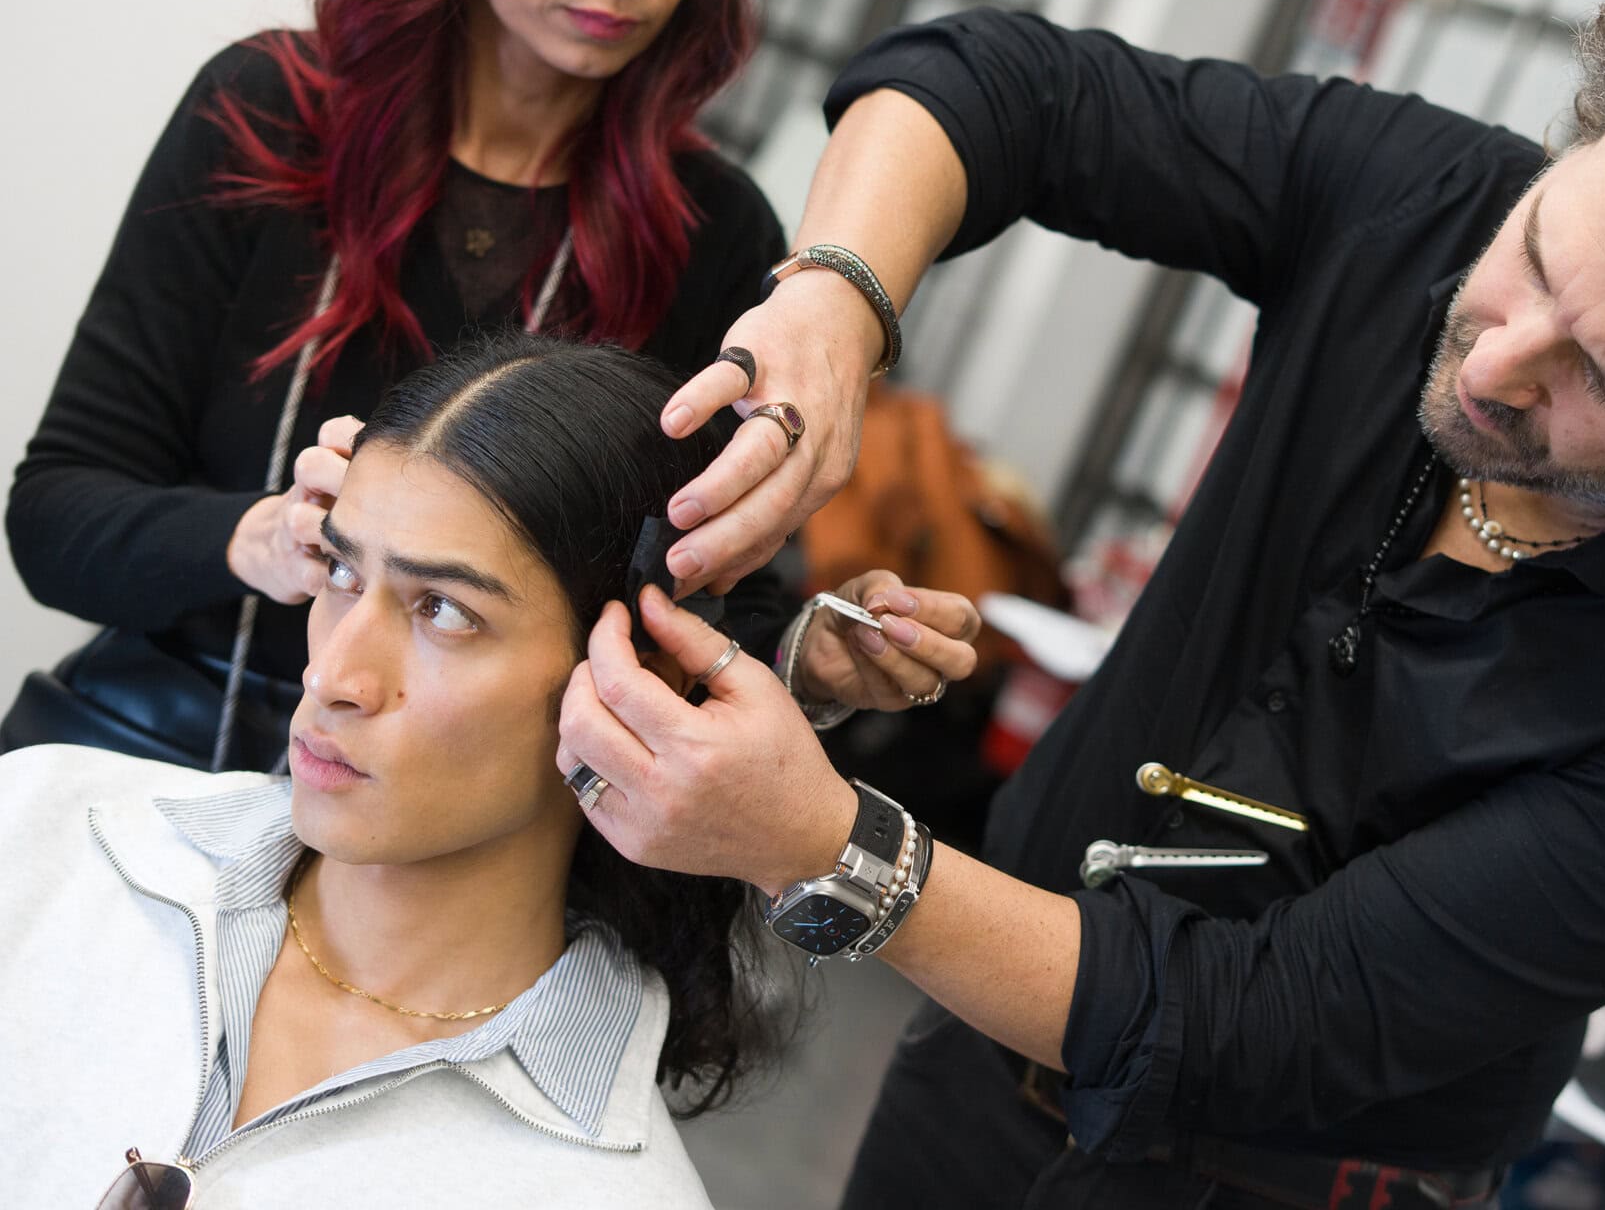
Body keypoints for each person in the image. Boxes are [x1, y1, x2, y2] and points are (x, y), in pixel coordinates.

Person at [561, 0, 1605, 1208]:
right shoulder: (1426, 197)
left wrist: (829, 846)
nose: (1500, 364)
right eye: (1536, 261)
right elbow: (1004, 87)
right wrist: (833, 296)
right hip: (968, 1087)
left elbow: (1245, 1025)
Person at [0, 333, 982, 1205]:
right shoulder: (37, 826)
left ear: (628, 673)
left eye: (444, 611)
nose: (334, 674)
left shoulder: (600, 1190)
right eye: (342, 574)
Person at [6, 0, 812, 770]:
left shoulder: (712, 229)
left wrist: (816, 653)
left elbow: (722, 599)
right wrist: (257, 537)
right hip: (153, 753)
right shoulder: (265, 112)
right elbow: (56, 518)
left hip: (463, 842)